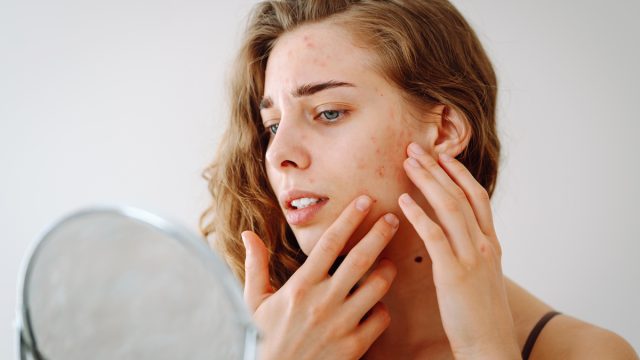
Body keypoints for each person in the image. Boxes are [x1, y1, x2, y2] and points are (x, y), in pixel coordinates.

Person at [201, 0, 638, 358]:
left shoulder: (583, 354)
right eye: (273, 126)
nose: (278, 155)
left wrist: (486, 348)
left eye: (329, 112)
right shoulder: (222, 337)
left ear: (444, 129)